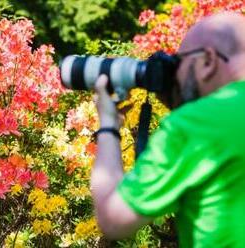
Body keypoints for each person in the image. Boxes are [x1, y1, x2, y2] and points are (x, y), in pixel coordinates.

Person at [91, 12, 245, 247]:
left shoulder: (197, 124)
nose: (175, 77)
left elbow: (113, 220)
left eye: (179, 64)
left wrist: (108, 126)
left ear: (207, 61)